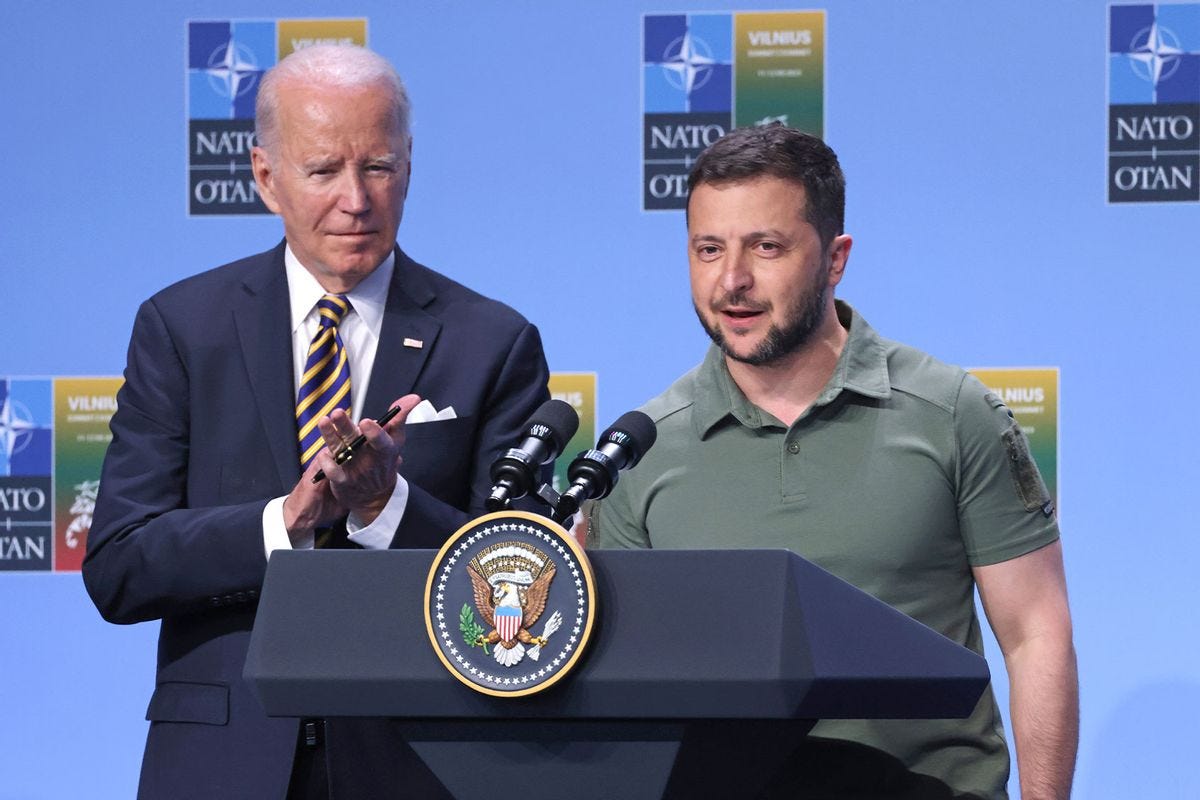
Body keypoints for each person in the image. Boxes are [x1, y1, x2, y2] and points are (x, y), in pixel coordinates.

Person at [83, 44, 549, 799]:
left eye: (380, 167)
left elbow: (525, 577)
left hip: (417, 762)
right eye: (324, 170)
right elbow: (121, 565)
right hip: (219, 764)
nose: (357, 200)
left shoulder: (490, 342)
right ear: (267, 177)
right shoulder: (183, 327)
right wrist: (284, 522)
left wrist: (384, 506)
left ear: (410, 165)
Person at [590, 125, 1077, 800]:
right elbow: (627, 689)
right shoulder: (640, 449)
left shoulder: (953, 412)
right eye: (708, 250)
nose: (732, 280)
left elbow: (1036, 634)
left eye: (766, 247)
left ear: (835, 257)